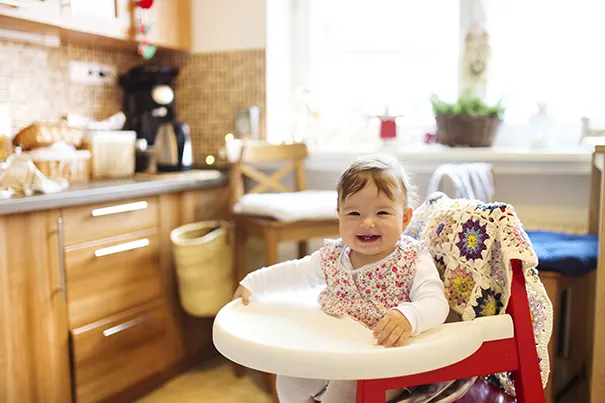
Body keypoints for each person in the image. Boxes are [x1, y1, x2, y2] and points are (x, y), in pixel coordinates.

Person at [233, 154, 450, 403]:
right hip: (335, 349)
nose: (367, 222)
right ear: (339, 215)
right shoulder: (333, 257)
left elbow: (435, 302)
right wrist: (254, 281)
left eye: (381, 212)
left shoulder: (412, 258)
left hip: (385, 362)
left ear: (405, 218)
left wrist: (410, 316)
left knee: (346, 390)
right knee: (290, 378)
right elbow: (294, 272)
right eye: (354, 213)